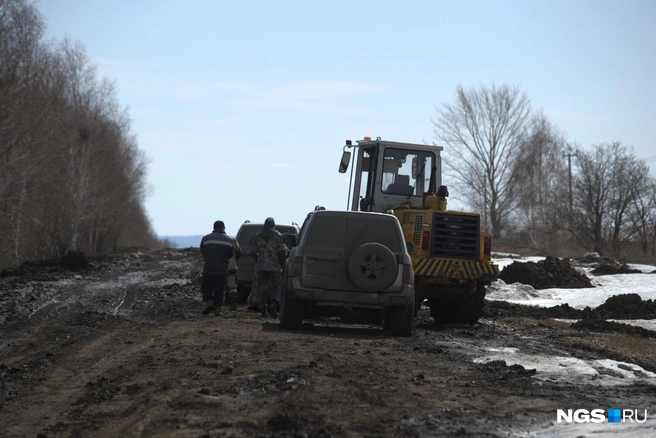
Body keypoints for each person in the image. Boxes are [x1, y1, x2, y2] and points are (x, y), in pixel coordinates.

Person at [249, 217, 287, 318]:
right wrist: (281, 263)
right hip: (275, 266)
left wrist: (258, 261)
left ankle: (263, 310)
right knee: (277, 286)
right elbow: (281, 251)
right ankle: (274, 304)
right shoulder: (278, 236)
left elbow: (252, 252)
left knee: (261, 288)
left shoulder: (257, 236)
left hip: (262, 266)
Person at [199, 220, 238, 316]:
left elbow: (202, 251)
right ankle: (217, 310)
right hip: (222, 269)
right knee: (219, 289)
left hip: (209, 267)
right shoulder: (229, 240)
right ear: (223, 228)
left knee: (206, 287)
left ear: (214, 227)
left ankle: (208, 303)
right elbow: (231, 254)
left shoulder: (206, 238)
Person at [225, 240, 242, 311]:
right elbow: (239, 252)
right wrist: (234, 260)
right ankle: (233, 304)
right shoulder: (232, 240)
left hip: (217, 266)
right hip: (231, 265)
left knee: (217, 284)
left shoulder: (210, 239)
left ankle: (216, 304)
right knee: (232, 286)